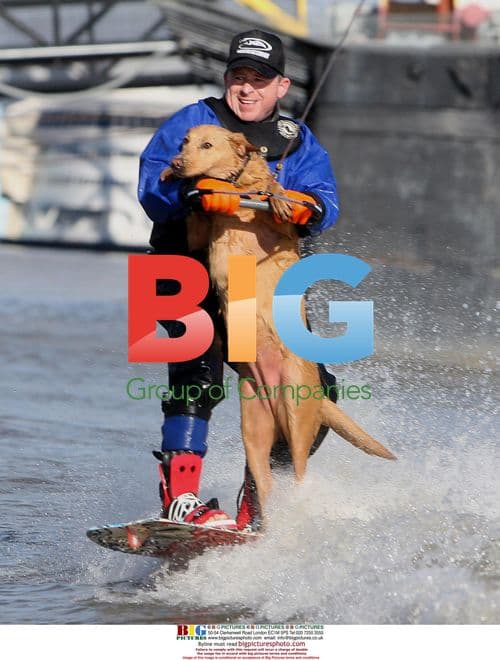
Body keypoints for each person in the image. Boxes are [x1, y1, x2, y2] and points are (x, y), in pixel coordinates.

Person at [138, 29, 340, 531]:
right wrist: (193, 195)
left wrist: (307, 207)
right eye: (238, 77)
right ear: (227, 79)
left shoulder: (297, 141)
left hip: (256, 280)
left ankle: (255, 503)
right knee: (196, 374)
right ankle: (180, 502)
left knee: (315, 394)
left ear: (281, 87)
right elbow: (150, 184)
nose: (247, 88)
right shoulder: (192, 122)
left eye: (260, 79)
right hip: (181, 269)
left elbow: (326, 200)